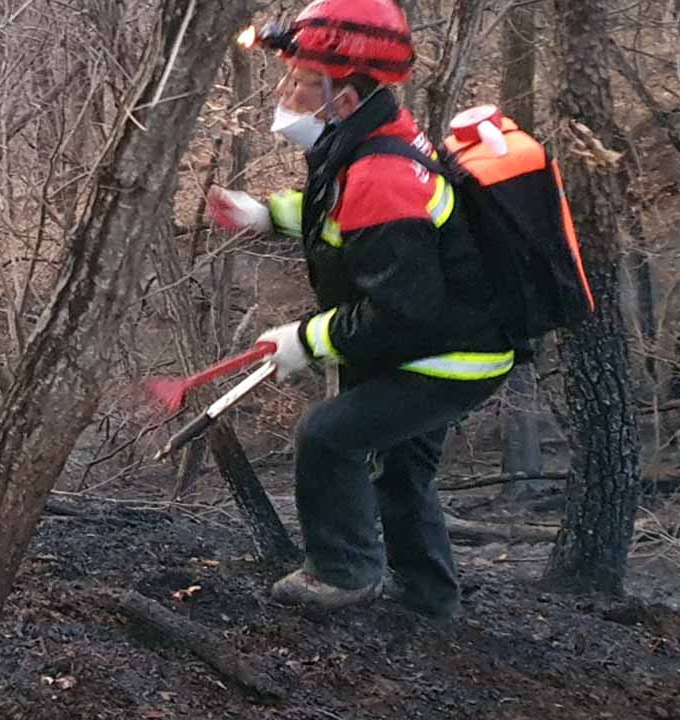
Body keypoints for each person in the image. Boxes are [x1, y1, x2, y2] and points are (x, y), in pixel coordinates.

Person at [209, 0, 514, 621]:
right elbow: (347, 218)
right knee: (400, 471)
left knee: (328, 437)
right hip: (441, 338)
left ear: (344, 98)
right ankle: (430, 603)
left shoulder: (381, 171)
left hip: (452, 353)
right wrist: (267, 214)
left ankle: (341, 575)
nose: (285, 93)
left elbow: (403, 312)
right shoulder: (372, 139)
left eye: (299, 82)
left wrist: (306, 337)